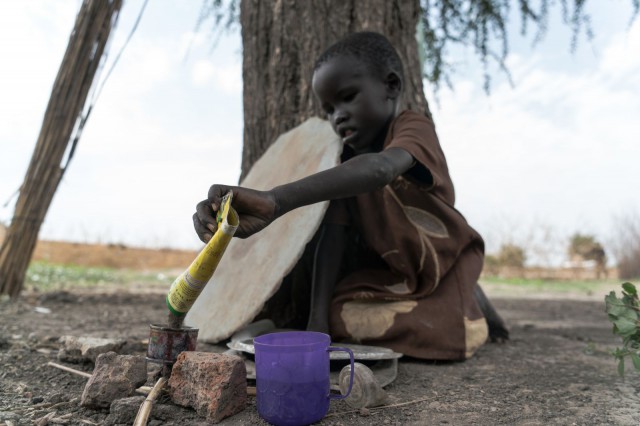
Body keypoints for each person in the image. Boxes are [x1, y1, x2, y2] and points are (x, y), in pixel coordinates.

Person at [193, 31, 508, 360]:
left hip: (446, 264)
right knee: (339, 314)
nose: (337, 115)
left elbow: (380, 169)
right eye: (328, 109)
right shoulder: (340, 165)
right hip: (396, 281)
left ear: (391, 87)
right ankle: (443, 312)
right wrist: (319, 327)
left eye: (348, 97)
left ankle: (470, 303)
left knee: (454, 333)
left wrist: (275, 200)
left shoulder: (411, 127)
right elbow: (332, 239)